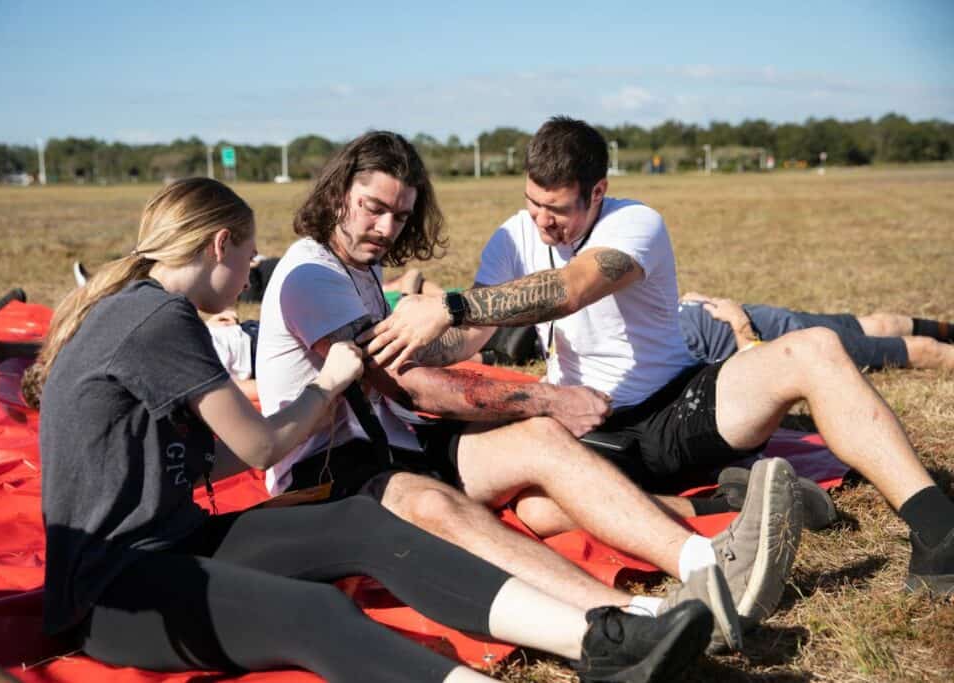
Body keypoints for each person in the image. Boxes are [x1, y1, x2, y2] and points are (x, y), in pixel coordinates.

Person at [18, 177, 712, 683]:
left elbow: (224, 454)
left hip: (175, 543)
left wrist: (308, 410)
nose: (247, 279)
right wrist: (326, 386)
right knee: (314, 613)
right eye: (249, 261)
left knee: (364, 523)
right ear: (220, 244)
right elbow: (259, 447)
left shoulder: (141, 311)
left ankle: (604, 638)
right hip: (112, 592)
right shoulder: (156, 318)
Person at [255, 131, 806, 651]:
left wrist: (513, 393)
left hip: (396, 444)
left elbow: (432, 365)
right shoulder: (312, 275)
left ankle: (705, 561)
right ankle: (635, 617)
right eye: (373, 208)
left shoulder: (361, 267)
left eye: (399, 215)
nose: (385, 227)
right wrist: (547, 397)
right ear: (337, 193)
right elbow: (408, 387)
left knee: (540, 441)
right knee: (439, 502)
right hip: (327, 473)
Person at [363, 116, 954, 596]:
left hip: (679, 408)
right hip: (588, 425)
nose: (543, 221)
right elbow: (466, 341)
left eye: (560, 208)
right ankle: (735, 500)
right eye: (533, 202)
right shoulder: (514, 235)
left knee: (814, 348)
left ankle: (936, 528)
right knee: (535, 509)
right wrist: (400, 344)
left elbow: (571, 289)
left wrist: (454, 306)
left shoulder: (635, 222)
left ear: (597, 192)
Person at [678, 292, 954, 371]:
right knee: (923, 351)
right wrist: (739, 323)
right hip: (798, 340)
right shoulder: (672, 359)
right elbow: (748, 368)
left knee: (884, 324)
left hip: (778, 316)